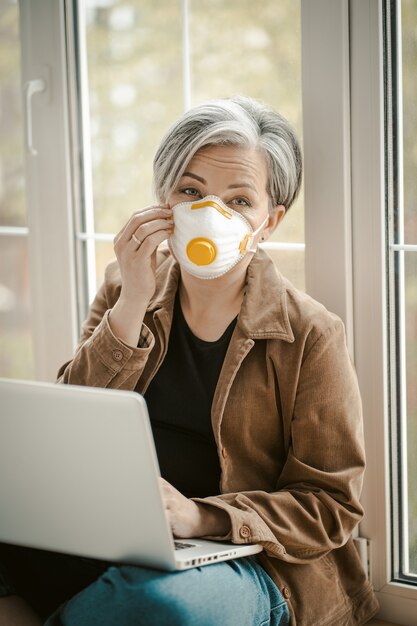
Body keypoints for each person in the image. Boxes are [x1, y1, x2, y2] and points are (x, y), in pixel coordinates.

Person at [0, 96, 379, 625]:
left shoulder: (311, 334)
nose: (210, 214)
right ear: (163, 201)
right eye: (191, 191)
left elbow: (329, 505)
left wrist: (200, 517)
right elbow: (72, 426)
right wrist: (133, 301)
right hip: (115, 532)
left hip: (250, 561)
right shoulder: (123, 288)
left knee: (157, 603)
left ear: (269, 221)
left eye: (239, 200)